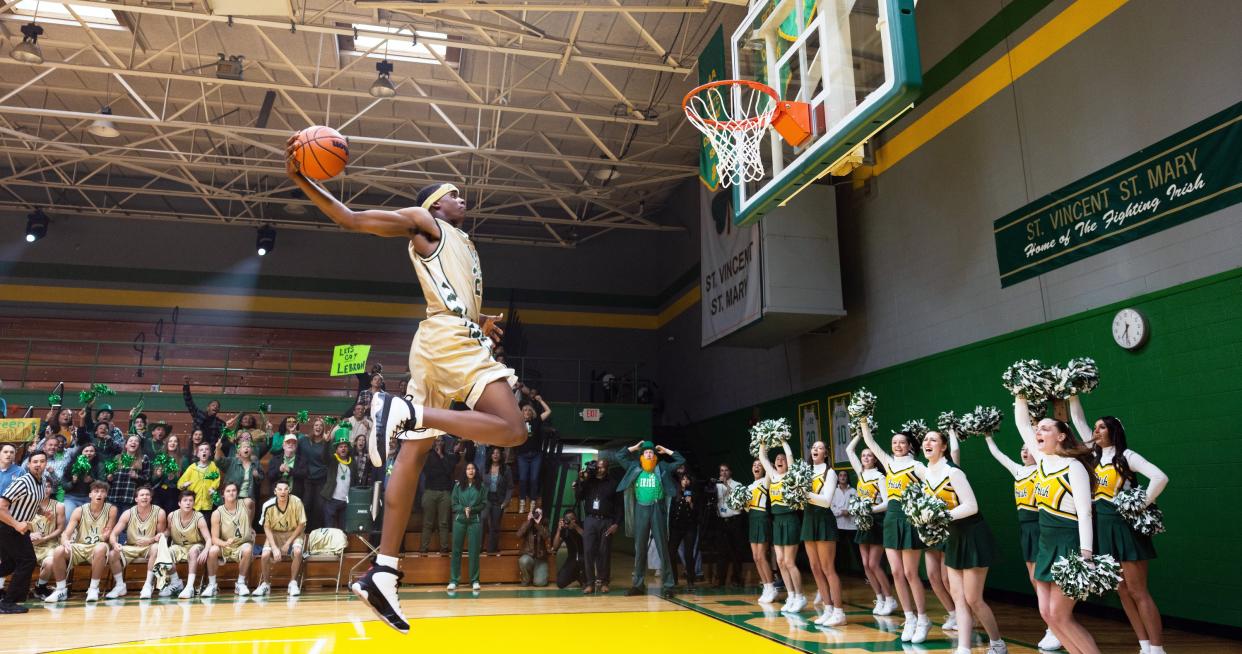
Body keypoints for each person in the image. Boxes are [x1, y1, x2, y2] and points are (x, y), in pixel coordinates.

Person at [288, 156, 528, 633]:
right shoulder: (424, 223)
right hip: (447, 343)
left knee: (412, 457)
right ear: (434, 203)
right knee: (515, 430)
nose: (463, 198)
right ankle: (409, 409)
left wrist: (479, 322)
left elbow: (448, 297)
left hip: (442, 340)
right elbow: (352, 219)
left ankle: (384, 571)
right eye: (453, 193)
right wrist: (303, 178)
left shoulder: (458, 243)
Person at [1014, 396, 1100, 654]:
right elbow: (1021, 423)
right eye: (1037, 428)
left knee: (1061, 615)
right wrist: (1019, 393)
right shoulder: (1041, 461)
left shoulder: (1073, 467)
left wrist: (1085, 554)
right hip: (1045, 543)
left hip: (1069, 543)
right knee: (1048, 615)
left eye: (1046, 428)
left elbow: (1085, 513)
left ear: (1061, 436)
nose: (1038, 431)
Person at [1082, 406, 1169, 654]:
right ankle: (1144, 646)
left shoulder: (1127, 456)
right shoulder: (1094, 459)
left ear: (1114, 431)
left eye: (1101, 427)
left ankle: (1158, 648)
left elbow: (1160, 477)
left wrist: (1138, 504)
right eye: (1095, 427)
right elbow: (1078, 421)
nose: (1095, 431)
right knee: (1121, 590)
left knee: (1137, 590)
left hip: (1124, 528)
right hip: (1103, 529)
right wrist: (1073, 392)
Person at [923, 431, 1007, 654]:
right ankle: (963, 648)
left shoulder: (953, 472)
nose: (927, 443)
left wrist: (942, 517)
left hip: (972, 536)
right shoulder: (927, 473)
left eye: (933, 440)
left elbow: (971, 506)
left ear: (943, 447)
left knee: (973, 599)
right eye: (925, 440)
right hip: (953, 537)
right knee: (958, 597)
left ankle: (997, 643)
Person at [984, 430, 1059, 650]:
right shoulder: (1018, 471)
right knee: (1034, 580)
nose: (1025, 452)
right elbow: (999, 455)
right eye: (1022, 449)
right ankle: (1050, 624)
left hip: (1040, 526)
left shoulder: (1045, 469)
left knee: (1045, 579)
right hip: (1025, 529)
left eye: (1029, 448)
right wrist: (988, 437)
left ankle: (1055, 625)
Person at [860, 419, 934, 642]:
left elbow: (933, 487)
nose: (898, 445)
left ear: (910, 446)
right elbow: (870, 443)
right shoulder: (889, 463)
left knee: (911, 573)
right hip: (891, 520)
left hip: (909, 520)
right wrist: (864, 420)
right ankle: (909, 618)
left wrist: (925, 509)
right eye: (894, 442)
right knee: (896, 573)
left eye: (902, 442)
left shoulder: (918, 467)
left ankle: (923, 618)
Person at [616, 440, 684, 598]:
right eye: (646, 452)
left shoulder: (662, 468)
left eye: (651, 452)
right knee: (640, 548)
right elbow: (619, 456)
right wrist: (634, 447)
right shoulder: (635, 467)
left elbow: (680, 460)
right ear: (642, 455)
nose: (649, 453)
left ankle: (668, 586)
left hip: (657, 508)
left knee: (662, 547)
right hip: (641, 508)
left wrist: (665, 449)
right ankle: (638, 585)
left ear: (655, 456)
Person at [846, 434, 895, 616]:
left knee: (874, 564)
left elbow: (888, 502)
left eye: (869, 455)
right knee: (865, 565)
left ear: (875, 459)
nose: (866, 457)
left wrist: (868, 509)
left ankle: (890, 599)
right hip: (862, 522)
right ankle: (879, 598)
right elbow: (849, 450)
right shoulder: (860, 474)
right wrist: (859, 433)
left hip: (877, 521)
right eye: (864, 455)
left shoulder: (880, 477)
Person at [43, 480, 116, 603]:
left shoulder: (111, 510)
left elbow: (108, 534)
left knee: (101, 547)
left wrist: (106, 536)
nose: (99, 494)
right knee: (59, 550)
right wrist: (65, 540)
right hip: (81, 546)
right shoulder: (79, 511)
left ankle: (93, 588)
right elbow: (66, 533)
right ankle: (61, 590)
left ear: (106, 495)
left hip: (99, 547)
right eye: (96, 491)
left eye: (102, 492)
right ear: (90, 495)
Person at [758, 439, 807, 614]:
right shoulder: (772, 475)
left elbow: (790, 456)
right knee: (779, 561)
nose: (780, 460)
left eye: (782, 459)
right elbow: (762, 458)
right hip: (777, 521)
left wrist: (784, 441)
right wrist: (763, 441)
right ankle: (791, 594)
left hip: (790, 519)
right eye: (777, 458)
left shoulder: (791, 475)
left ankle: (800, 596)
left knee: (789, 561)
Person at [801, 440, 846, 626]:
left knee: (828, 569)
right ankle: (827, 609)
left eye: (820, 448)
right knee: (815, 568)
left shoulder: (831, 472)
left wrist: (803, 493)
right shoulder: (804, 472)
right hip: (809, 520)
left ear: (826, 453)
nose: (815, 450)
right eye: (813, 448)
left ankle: (839, 612)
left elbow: (826, 501)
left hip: (824, 521)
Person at [0, 451, 48, 613]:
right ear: (28, 464)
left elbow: (33, 501)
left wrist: (42, 511)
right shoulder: (23, 482)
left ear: (46, 464)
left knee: (11, 564)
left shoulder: (42, 481)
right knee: (27, 561)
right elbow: (1, 506)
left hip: (17, 528)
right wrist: (16, 524)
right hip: (8, 526)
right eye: (35, 461)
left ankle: (8, 600)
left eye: (42, 461)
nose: (38, 464)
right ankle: (7, 603)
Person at [104, 486, 166, 599]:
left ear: (151, 498)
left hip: (149, 546)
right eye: (142, 495)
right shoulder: (128, 513)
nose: (145, 497)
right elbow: (113, 534)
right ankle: (120, 586)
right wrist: (114, 544)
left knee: (157, 548)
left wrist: (150, 540)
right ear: (136, 499)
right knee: (113, 554)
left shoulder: (159, 512)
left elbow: (161, 536)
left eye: (147, 495)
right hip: (131, 547)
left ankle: (147, 585)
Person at [575, 458, 619, 594]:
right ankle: (590, 583)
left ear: (607, 468)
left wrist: (616, 523)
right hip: (590, 520)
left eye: (602, 467)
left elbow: (619, 506)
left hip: (606, 521)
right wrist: (581, 481)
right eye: (598, 467)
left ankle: (604, 582)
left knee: (604, 552)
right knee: (588, 551)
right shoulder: (589, 481)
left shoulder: (613, 483)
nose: (599, 469)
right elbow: (579, 497)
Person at [256, 479, 306, 596]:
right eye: (279, 489)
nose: (282, 492)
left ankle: (293, 583)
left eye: (285, 489)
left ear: (289, 490)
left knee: (298, 551)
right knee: (265, 555)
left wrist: (288, 542)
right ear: (275, 491)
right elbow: (267, 527)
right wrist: (274, 547)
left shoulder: (297, 502)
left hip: (294, 532)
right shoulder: (267, 505)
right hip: (275, 533)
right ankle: (266, 584)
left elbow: (301, 524)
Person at [205, 482, 255, 598]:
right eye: (228, 491)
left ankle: (240, 583)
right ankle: (212, 585)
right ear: (223, 494)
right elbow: (214, 538)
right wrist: (225, 543)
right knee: (212, 550)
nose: (231, 493)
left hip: (241, 545)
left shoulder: (246, 503)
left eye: (233, 490)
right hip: (225, 546)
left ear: (237, 493)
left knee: (248, 549)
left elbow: (253, 505)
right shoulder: (217, 513)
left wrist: (250, 525)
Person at [164, 490, 211, 599]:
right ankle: (176, 582)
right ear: (179, 503)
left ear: (194, 503)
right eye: (185, 500)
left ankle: (189, 587)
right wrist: (161, 535)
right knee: (165, 553)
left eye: (191, 500)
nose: (188, 503)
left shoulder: (199, 517)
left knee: (193, 551)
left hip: (195, 546)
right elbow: (168, 531)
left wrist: (205, 550)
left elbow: (208, 539)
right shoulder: (171, 516)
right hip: (178, 546)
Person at [448, 462, 486, 591]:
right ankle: (454, 580)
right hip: (460, 521)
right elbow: (453, 504)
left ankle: (474, 580)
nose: (471, 470)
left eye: (473, 468)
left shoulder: (481, 486)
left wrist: (473, 509)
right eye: (468, 468)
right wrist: (463, 509)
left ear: (476, 471)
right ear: (465, 471)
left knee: (474, 551)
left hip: (474, 521)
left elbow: (484, 504)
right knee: (456, 551)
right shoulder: (458, 486)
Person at [25, 474, 65, 600]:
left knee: (50, 561)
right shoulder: (27, 505)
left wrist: (45, 538)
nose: (45, 489)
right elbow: (20, 525)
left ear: (51, 489)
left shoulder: (59, 506)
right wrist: (29, 535)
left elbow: (60, 529)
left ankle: (39, 587)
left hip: (50, 543)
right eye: (42, 486)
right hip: (28, 544)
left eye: (48, 486)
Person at [743, 459, 777, 603]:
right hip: (752, 519)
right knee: (756, 557)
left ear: (763, 469)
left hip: (762, 518)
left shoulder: (764, 482)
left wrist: (764, 454)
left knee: (762, 556)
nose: (757, 467)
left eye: (759, 465)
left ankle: (771, 587)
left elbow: (770, 469)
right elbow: (746, 509)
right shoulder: (749, 486)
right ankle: (766, 587)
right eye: (754, 465)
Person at [420, 436, 459, 554]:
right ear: (433, 443)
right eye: (437, 441)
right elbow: (428, 472)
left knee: (444, 522)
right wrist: (442, 470)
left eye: (441, 441)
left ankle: (444, 548)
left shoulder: (448, 456)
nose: (439, 443)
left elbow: (449, 470)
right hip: (430, 491)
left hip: (445, 492)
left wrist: (441, 457)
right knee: (428, 522)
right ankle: (423, 548)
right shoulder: (428, 455)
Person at [515, 394, 551, 513]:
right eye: (524, 409)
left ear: (532, 412)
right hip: (522, 455)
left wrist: (541, 400)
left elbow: (548, 411)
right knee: (523, 478)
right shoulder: (517, 423)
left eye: (529, 410)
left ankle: (533, 501)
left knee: (534, 479)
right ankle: (522, 501)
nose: (527, 411)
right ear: (520, 412)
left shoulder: (536, 421)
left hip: (536, 455)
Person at [713, 464, 747, 588]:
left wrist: (726, 485)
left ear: (730, 472)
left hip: (735, 520)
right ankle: (720, 579)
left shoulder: (737, 484)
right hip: (721, 521)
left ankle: (737, 579)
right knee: (722, 552)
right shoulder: (716, 486)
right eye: (721, 470)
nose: (723, 473)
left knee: (736, 551)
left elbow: (738, 500)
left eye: (726, 470)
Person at [322, 430, 364, 531]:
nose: (343, 448)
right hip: (331, 500)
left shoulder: (352, 463)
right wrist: (327, 443)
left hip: (346, 501)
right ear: (336, 449)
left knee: (344, 529)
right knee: (329, 528)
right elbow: (324, 457)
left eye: (345, 446)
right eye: (340, 447)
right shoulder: (333, 460)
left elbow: (355, 481)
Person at [294, 417, 331, 531]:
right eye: (316, 425)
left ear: (323, 428)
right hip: (307, 479)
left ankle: (315, 533)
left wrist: (327, 443)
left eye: (320, 425)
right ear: (312, 427)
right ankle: (302, 532)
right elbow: (295, 451)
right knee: (306, 505)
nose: (318, 427)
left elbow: (328, 460)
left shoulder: (327, 442)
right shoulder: (304, 440)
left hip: (321, 479)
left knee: (319, 507)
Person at [667, 469, 701, 590]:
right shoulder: (675, 493)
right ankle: (673, 579)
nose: (685, 481)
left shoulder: (694, 494)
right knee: (671, 552)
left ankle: (690, 580)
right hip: (676, 527)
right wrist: (670, 527)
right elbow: (671, 512)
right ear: (680, 481)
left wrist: (691, 503)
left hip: (689, 528)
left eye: (687, 479)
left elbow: (697, 512)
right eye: (683, 479)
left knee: (688, 553)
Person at [104, 435, 150, 515]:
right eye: (131, 441)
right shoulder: (117, 458)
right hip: (114, 496)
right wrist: (109, 478)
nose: (133, 442)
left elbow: (147, 477)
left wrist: (137, 476)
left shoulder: (143, 458)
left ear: (139, 445)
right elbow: (109, 477)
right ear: (126, 445)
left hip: (129, 498)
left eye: (136, 441)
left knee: (124, 525)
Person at [216, 438, 262, 516]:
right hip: (232, 497)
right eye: (244, 447)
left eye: (248, 447)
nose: (246, 448)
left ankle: (248, 527)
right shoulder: (232, 461)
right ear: (239, 451)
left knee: (248, 502)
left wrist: (257, 476)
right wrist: (217, 449)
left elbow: (261, 478)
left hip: (248, 497)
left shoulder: (255, 464)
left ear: (251, 450)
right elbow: (218, 461)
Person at [178, 443, 221, 521]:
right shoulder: (192, 468)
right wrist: (184, 485)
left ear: (210, 453)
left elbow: (217, 479)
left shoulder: (213, 466)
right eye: (201, 450)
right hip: (194, 505)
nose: (204, 451)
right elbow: (180, 483)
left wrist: (213, 487)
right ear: (198, 454)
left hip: (207, 504)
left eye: (206, 449)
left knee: (206, 525)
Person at [481, 447, 513, 555]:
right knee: (483, 519)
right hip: (486, 499)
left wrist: (506, 501)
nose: (495, 455)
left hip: (499, 500)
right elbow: (479, 484)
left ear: (501, 455)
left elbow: (510, 487)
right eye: (493, 453)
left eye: (498, 453)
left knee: (495, 526)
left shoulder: (506, 469)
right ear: (490, 455)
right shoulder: (484, 468)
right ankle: (479, 547)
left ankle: (491, 550)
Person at [182, 378, 226, 445]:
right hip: (196, 447)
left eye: (217, 406)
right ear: (207, 408)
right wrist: (186, 385)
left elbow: (223, 439)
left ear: (218, 410)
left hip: (210, 451)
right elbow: (189, 402)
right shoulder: (198, 414)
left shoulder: (220, 423)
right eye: (213, 405)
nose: (215, 407)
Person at [830, 470, 858, 569]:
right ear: (838, 478)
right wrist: (841, 512)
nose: (842, 477)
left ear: (847, 477)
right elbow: (831, 507)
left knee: (857, 550)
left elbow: (857, 506)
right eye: (840, 475)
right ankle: (840, 571)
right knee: (839, 550)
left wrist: (849, 511)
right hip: (838, 526)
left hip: (852, 526)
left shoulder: (853, 491)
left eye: (845, 475)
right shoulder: (833, 491)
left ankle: (865, 574)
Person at [551, 508, 586, 589]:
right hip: (572, 558)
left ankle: (583, 577)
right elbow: (555, 546)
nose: (570, 521)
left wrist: (576, 527)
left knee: (587, 584)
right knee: (560, 583)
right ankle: (576, 576)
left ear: (576, 519)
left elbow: (587, 538)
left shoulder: (582, 524)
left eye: (572, 519)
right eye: (568, 519)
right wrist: (559, 530)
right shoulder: (564, 529)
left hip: (584, 557)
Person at [516, 507, 550, 587]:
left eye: (539, 513)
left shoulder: (544, 525)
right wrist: (528, 521)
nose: (537, 515)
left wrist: (538, 525)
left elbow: (546, 536)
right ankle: (526, 579)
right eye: (535, 513)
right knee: (523, 561)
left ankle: (536, 574)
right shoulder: (528, 524)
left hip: (540, 559)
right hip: (529, 556)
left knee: (540, 583)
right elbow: (518, 535)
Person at [151, 435, 183, 513]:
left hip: (174, 492)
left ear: (178, 444)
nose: (172, 443)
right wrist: (158, 475)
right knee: (157, 516)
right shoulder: (160, 457)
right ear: (167, 443)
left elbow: (185, 479)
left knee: (170, 516)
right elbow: (152, 480)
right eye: (170, 441)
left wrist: (174, 478)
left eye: (175, 441)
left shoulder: (182, 459)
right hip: (159, 492)